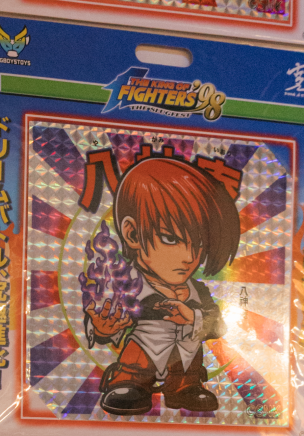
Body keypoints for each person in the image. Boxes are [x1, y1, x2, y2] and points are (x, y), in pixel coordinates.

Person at [79, 146, 243, 416]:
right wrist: (103, 328)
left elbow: (219, 326)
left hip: (185, 362)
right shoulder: (126, 282)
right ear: (132, 234)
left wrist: (192, 316)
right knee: (137, 359)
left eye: (198, 244)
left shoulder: (197, 290)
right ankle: (129, 384)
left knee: (189, 360)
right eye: (170, 239)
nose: (189, 257)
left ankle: (185, 387)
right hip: (142, 355)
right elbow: (109, 320)